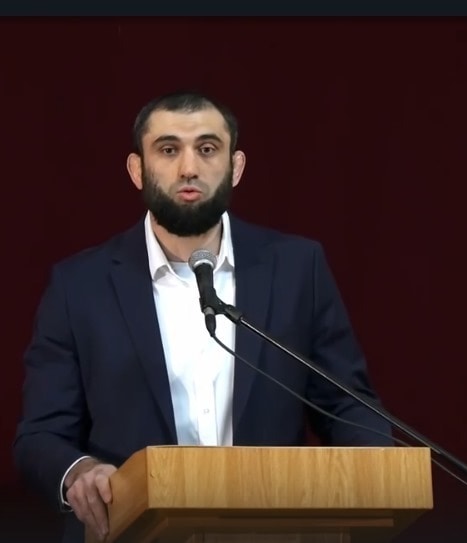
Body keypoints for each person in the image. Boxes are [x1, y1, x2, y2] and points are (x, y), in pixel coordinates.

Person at [13, 91, 393, 543]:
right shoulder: (79, 285)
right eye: (168, 150)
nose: (189, 168)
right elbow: (41, 434)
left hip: (274, 530)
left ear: (236, 166)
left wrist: (378, 474)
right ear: (137, 170)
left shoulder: (296, 268)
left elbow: (348, 406)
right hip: (134, 532)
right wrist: (80, 471)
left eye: (208, 149)